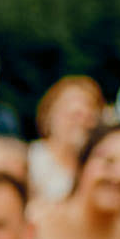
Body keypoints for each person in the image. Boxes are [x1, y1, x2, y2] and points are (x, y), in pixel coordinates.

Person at [26, 75, 107, 203]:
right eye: (74, 116)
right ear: (49, 115)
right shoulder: (30, 158)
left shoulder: (98, 165)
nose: (81, 121)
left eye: (88, 117)